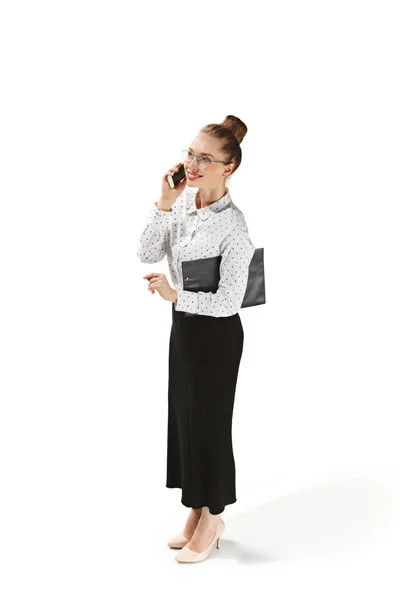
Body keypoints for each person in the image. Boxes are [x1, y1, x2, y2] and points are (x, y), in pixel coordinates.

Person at [137, 115, 255, 563]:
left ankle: (214, 516)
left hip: (217, 335)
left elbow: (229, 301)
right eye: (191, 153)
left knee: (210, 424)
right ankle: (195, 507)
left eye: (206, 158)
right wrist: (164, 203)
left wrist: (174, 294)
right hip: (184, 328)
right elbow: (146, 252)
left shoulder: (234, 227)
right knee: (185, 421)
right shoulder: (182, 204)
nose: (193, 163)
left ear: (228, 168)